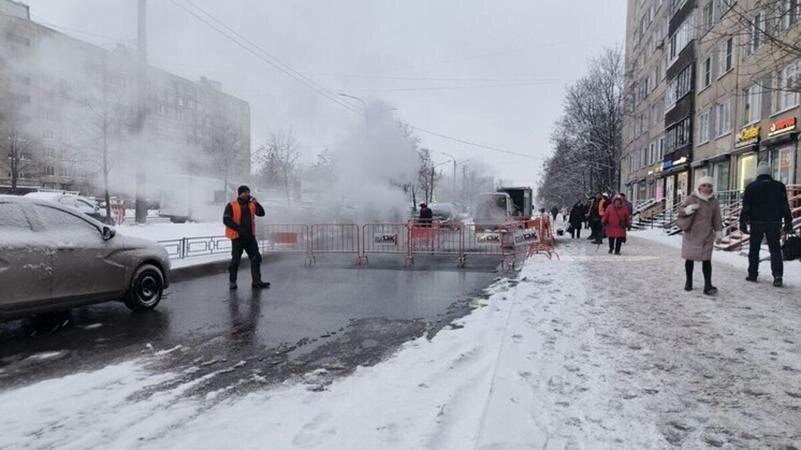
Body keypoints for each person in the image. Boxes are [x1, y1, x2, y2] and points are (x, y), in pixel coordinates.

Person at [740, 162, 794, 287]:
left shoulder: (751, 187)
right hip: (774, 222)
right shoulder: (779, 186)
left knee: (754, 249)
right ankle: (778, 276)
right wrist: (788, 221)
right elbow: (784, 205)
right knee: (775, 249)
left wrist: (742, 222)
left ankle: (752, 274)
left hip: (756, 222)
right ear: (769, 173)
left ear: (758, 173)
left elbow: (746, 207)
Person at [678, 176, 723, 295]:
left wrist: (719, 233)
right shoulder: (692, 198)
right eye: (704, 185)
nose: (706, 188)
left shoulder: (714, 201)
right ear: (699, 186)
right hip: (692, 234)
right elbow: (680, 211)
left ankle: (707, 285)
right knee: (689, 259)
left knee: (707, 260)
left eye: (709, 186)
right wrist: (689, 208)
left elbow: (717, 219)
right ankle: (688, 282)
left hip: (707, 235)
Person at [223, 185, 269, 290]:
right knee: (235, 261)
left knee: (256, 258)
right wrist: (239, 229)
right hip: (237, 237)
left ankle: (257, 281)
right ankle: (232, 281)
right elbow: (226, 220)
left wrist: (257, 203)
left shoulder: (252, 204)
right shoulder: (231, 205)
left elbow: (261, 213)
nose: (247, 194)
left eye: (248, 192)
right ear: (240, 194)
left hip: (250, 238)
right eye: (245, 192)